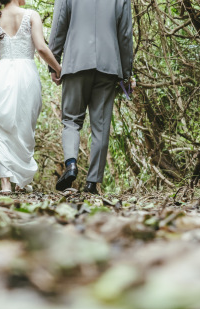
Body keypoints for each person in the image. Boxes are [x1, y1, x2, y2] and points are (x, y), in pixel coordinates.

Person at [0, 0, 63, 193]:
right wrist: (58, 68)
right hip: (26, 76)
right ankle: (21, 183)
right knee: (25, 127)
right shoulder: (31, 15)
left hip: (0, 76)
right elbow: (41, 48)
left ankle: (5, 183)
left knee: (0, 130)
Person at [49, 0, 135, 195]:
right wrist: (127, 72)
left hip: (76, 63)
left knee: (71, 120)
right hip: (108, 66)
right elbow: (125, 35)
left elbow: (59, 25)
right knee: (101, 126)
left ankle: (71, 164)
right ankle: (92, 182)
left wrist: (53, 63)